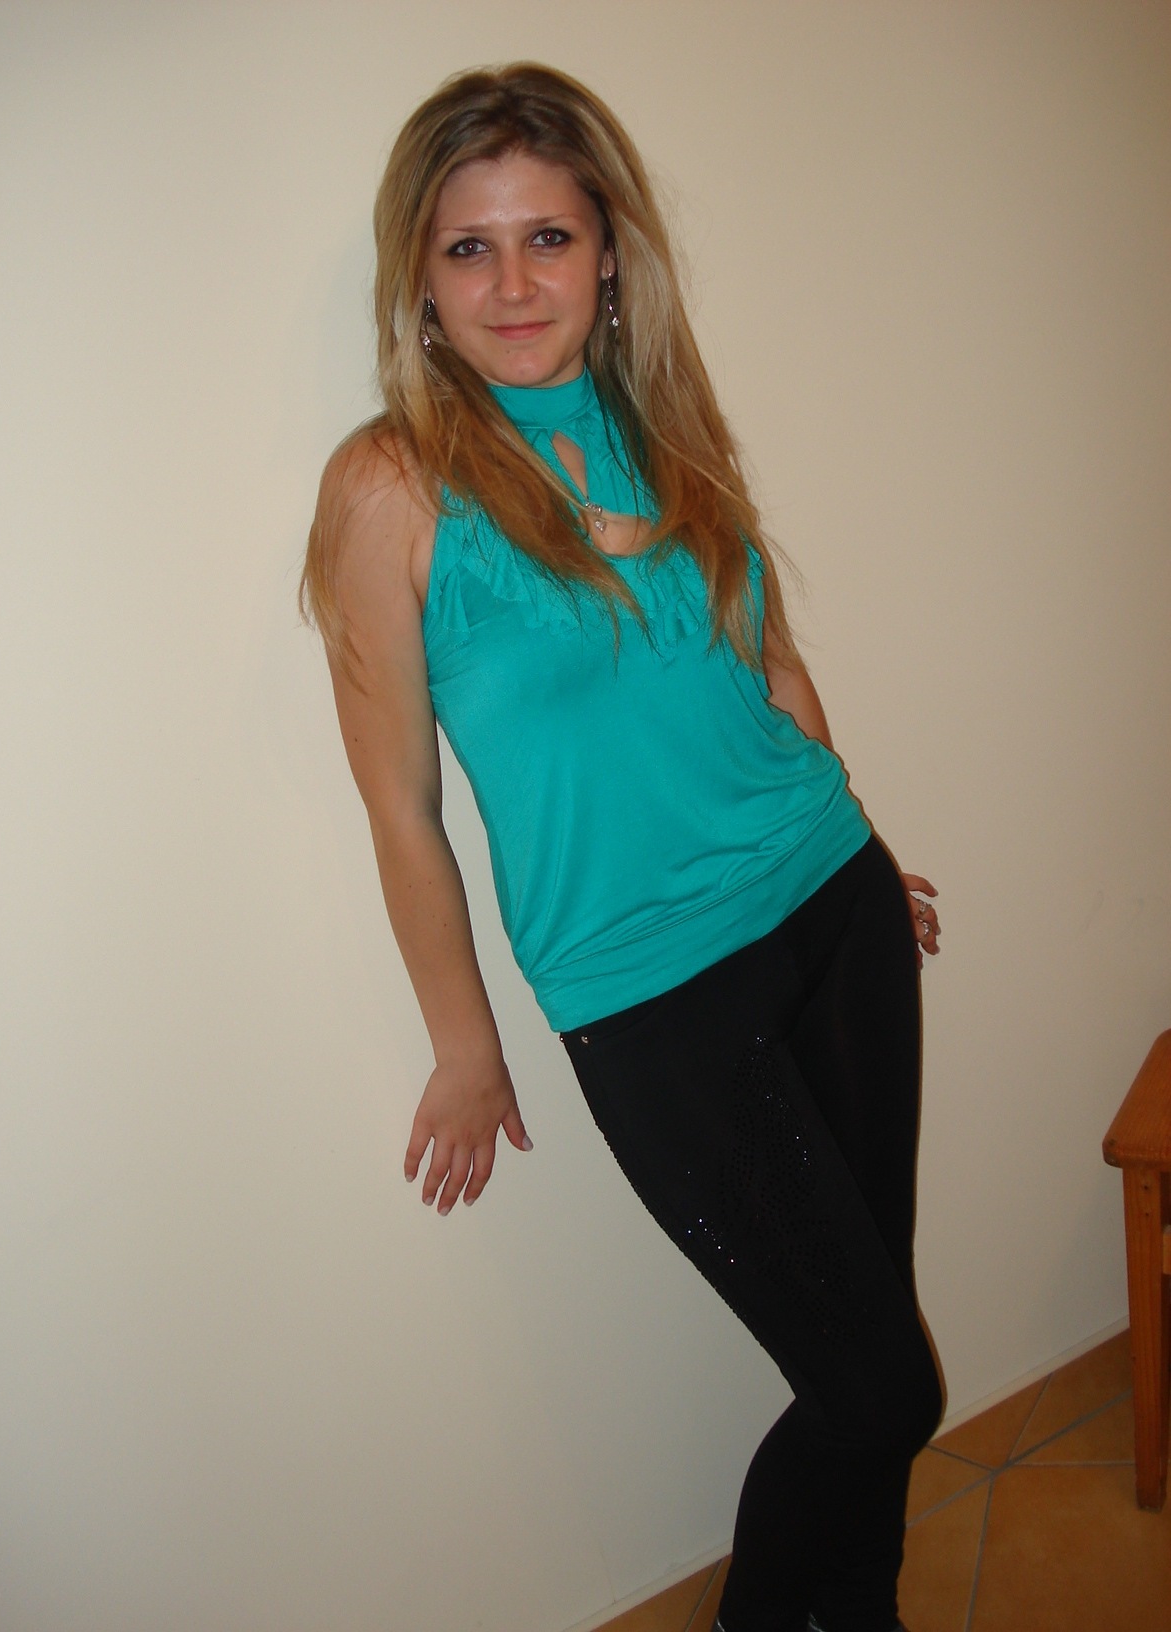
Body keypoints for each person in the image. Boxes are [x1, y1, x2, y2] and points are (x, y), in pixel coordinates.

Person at [302, 62, 943, 1632]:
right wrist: (467, 1047)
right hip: (654, 998)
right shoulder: (390, 489)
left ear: (607, 256)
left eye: (550, 237)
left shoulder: (665, 419)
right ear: (419, 278)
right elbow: (401, 807)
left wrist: (856, 836)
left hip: (835, 912)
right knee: (881, 1389)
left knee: (864, 1368)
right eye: (469, 247)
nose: (514, 283)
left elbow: (763, 657)